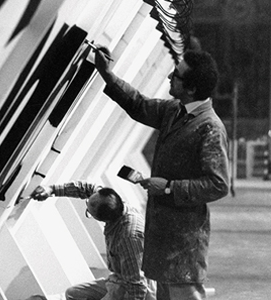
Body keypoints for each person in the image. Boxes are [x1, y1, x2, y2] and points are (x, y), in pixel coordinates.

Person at [93, 45, 229, 299]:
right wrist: (107, 75)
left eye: (175, 75)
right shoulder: (174, 111)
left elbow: (218, 184)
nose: (169, 77)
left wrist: (168, 187)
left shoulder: (210, 127)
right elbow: (138, 104)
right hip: (163, 236)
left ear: (191, 88)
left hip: (183, 241)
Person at [29, 181, 155, 300]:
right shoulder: (113, 203)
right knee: (72, 294)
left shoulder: (128, 239)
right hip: (118, 279)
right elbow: (87, 188)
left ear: (103, 219)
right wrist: (52, 189)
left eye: (89, 212)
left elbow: (137, 287)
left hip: (132, 289)